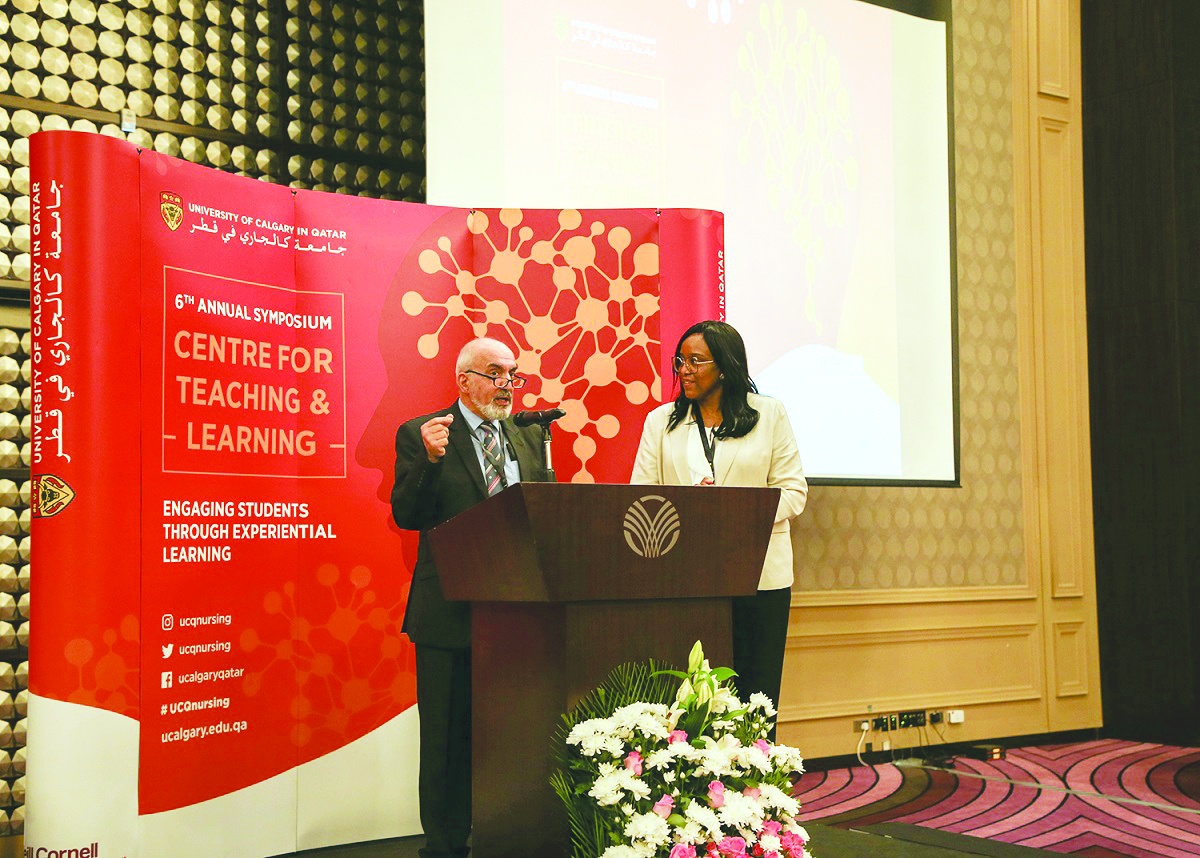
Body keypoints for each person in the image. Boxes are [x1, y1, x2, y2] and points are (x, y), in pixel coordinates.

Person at [392, 336, 553, 858]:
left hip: (518, 611)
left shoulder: (527, 436)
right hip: (449, 610)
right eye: (495, 374)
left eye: (512, 374)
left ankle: (511, 835)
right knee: (445, 740)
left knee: (513, 733)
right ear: (464, 380)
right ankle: (444, 846)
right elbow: (408, 515)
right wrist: (429, 461)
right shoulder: (424, 433)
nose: (507, 384)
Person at [631, 320, 807, 730]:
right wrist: (689, 515)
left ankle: (756, 769)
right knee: (690, 699)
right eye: (680, 361)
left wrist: (730, 514)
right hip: (686, 579)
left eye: (696, 361)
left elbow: (793, 492)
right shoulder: (660, 422)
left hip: (760, 576)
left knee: (757, 695)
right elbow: (642, 497)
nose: (684, 370)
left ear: (725, 367)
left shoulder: (768, 414)